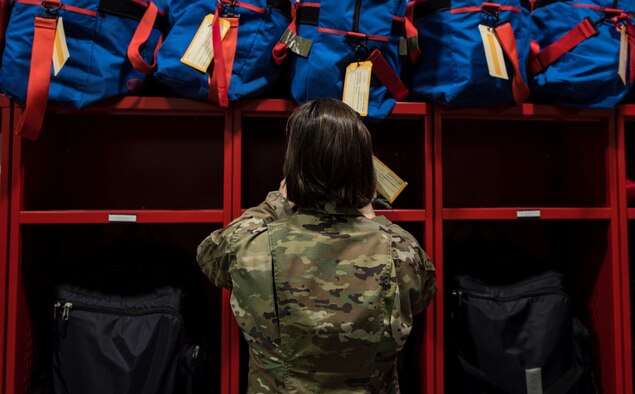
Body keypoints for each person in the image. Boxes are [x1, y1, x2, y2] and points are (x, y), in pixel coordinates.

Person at [196, 98, 437, 393]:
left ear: (294, 164)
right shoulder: (401, 250)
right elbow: (423, 296)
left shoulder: (250, 243)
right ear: (364, 167)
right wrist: (375, 222)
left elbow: (209, 256)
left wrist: (277, 202)